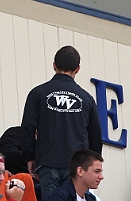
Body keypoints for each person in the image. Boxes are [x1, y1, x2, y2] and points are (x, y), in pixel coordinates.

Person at [20, 46, 102, 198]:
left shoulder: (38, 93)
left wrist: (29, 157)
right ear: (77, 69)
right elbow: (95, 136)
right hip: (78, 166)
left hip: (47, 162)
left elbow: (27, 128)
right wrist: (93, 166)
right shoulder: (86, 99)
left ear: (54, 65)